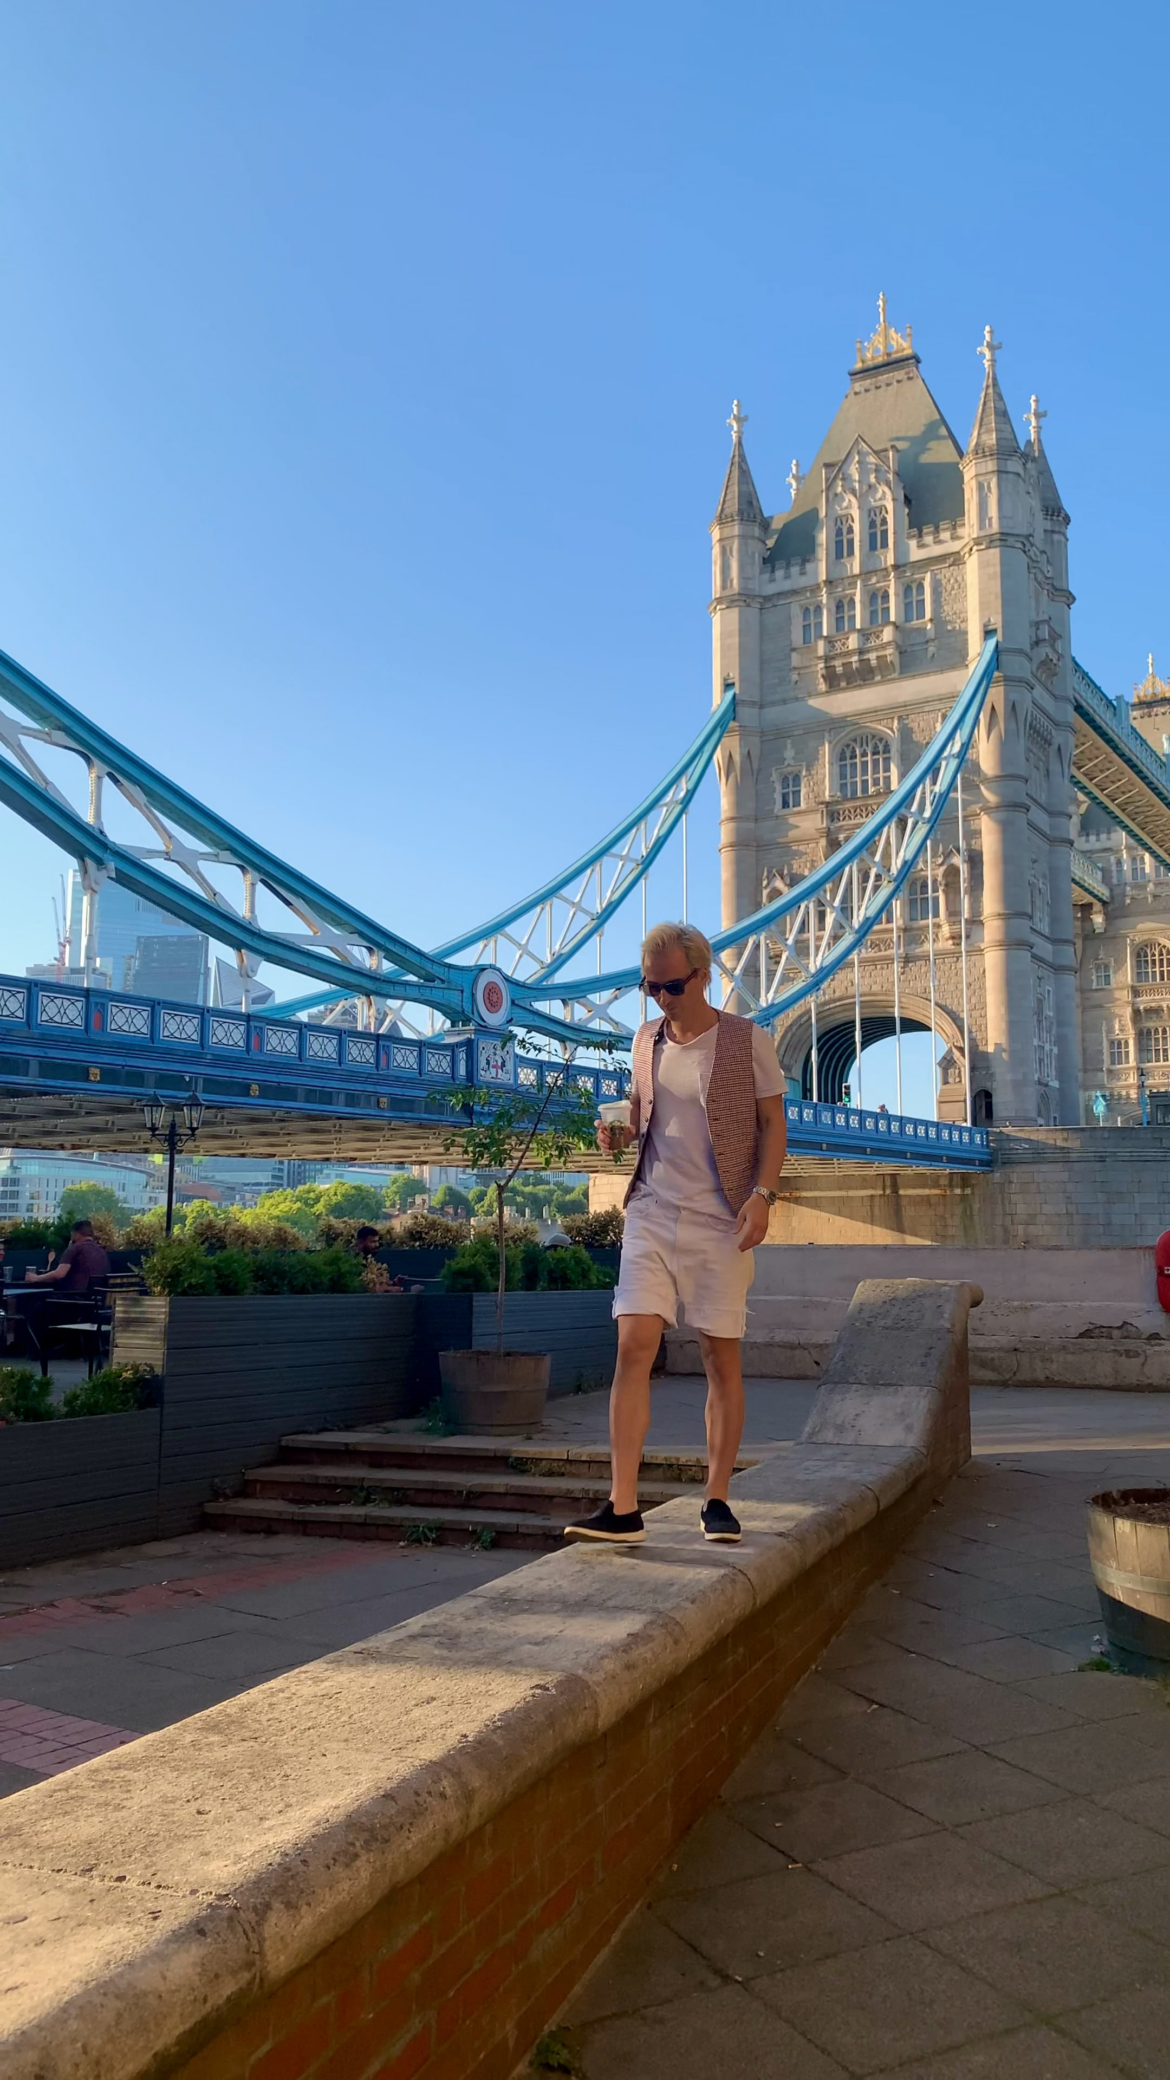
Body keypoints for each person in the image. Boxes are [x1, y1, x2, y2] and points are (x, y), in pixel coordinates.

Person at [565, 922, 787, 1548]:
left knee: (719, 1357)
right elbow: (640, 1116)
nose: (661, 998)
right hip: (652, 1210)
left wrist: (763, 1196)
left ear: (702, 976)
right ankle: (623, 1507)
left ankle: (717, 1499)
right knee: (633, 1343)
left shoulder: (748, 1040)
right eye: (650, 988)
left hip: (722, 1216)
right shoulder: (645, 1040)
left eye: (671, 986)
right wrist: (614, 1134)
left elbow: (774, 1124)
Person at [24, 1219, 111, 1294]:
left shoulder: (75, 1248)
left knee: (37, 1301)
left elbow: (59, 1274)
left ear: (75, 1235)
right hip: (97, 1299)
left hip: (74, 1298)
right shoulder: (101, 1251)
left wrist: (37, 1278)